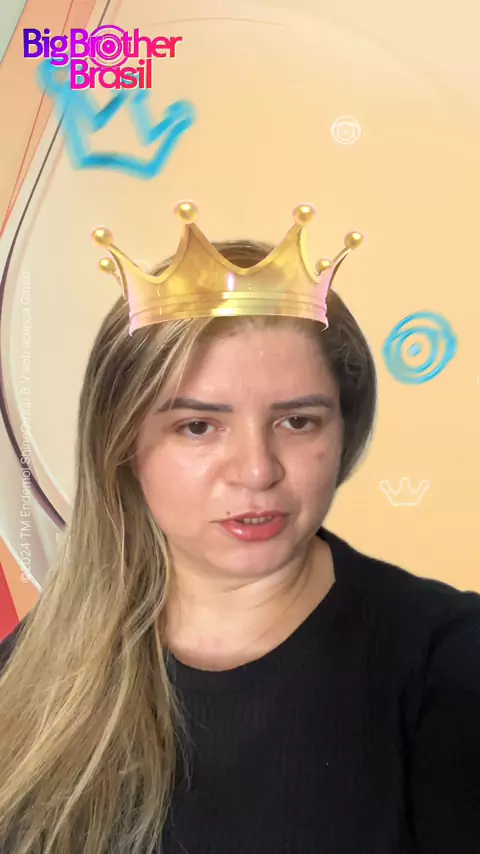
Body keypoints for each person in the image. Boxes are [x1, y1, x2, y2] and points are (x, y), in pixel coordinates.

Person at [0, 201, 479, 854]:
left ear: (345, 430)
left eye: (298, 421)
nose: (257, 471)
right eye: (199, 426)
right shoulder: (30, 670)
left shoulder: (449, 661)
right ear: (122, 446)